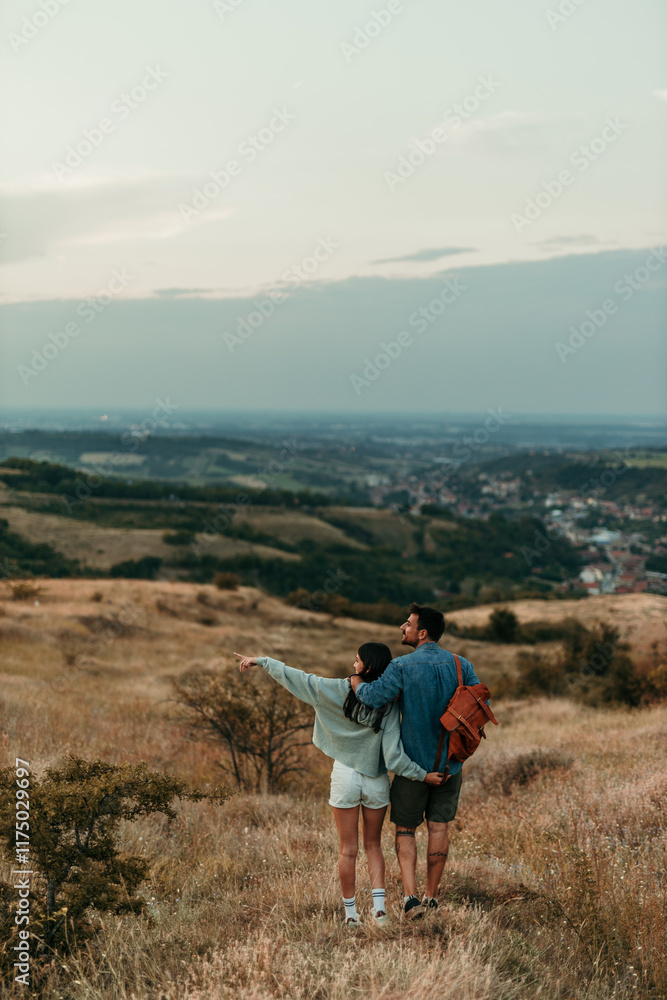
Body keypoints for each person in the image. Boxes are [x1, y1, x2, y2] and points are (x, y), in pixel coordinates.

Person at [234, 643, 446, 927]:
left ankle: (350, 916)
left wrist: (261, 661)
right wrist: (423, 775)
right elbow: (394, 757)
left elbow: (294, 676)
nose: (353, 664)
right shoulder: (390, 701)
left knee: (348, 849)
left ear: (367, 666)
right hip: (376, 780)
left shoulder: (331, 688)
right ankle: (379, 912)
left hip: (345, 776)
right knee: (373, 846)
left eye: (357, 660)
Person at [350, 603, 484, 919]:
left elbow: (372, 697)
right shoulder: (461, 665)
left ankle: (410, 899)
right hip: (450, 765)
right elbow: (479, 704)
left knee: (406, 830)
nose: (402, 628)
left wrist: (356, 680)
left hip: (413, 768)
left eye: (407, 624)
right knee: (439, 827)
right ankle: (432, 897)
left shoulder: (401, 667)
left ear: (421, 633)